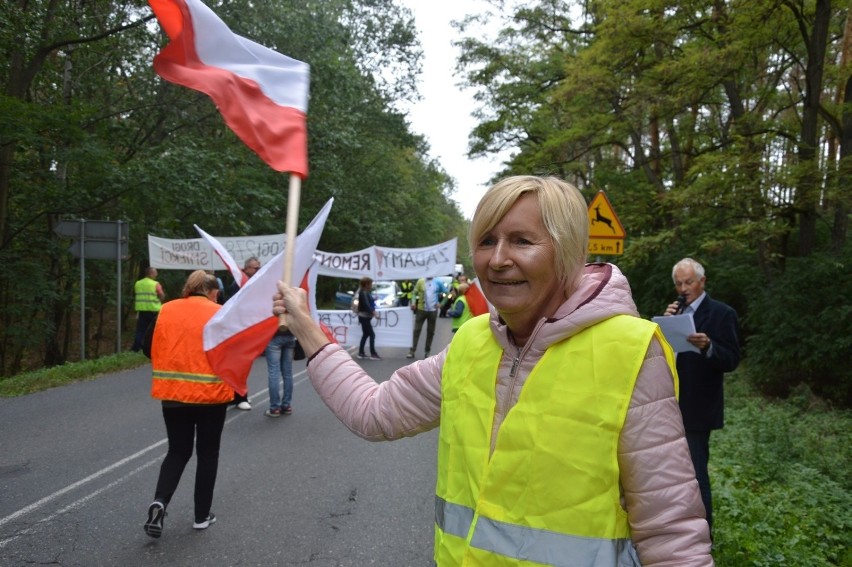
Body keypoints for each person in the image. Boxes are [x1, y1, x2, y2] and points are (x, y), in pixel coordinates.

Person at [275, 175, 712, 565]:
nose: (498, 259)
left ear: (571, 253)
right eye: (487, 241)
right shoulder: (470, 342)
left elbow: (671, 536)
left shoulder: (629, 350)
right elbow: (374, 413)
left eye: (522, 241)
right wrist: (306, 328)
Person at [141, 270, 234, 538]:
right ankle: (202, 516)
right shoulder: (220, 313)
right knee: (207, 454)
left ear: (188, 288)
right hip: (211, 395)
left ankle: (160, 501)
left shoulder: (166, 310)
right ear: (213, 292)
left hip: (173, 394)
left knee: (178, 452)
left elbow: (148, 348)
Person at [663, 257, 740, 534]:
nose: (683, 289)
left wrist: (708, 346)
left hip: (698, 408)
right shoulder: (674, 312)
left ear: (702, 282)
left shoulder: (722, 313)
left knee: (696, 474)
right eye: (679, 283)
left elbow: (731, 359)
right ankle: (676, 528)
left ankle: (703, 536)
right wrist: (665, 324)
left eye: (689, 282)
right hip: (669, 404)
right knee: (670, 474)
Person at [226, 256, 261, 410]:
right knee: (239, 364)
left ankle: (238, 394)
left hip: (246, 328)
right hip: (237, 329)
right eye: (255, 268)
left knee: (243, 365)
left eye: (259, 267)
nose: (258, 270)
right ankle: (240, 396)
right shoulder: (238, 284)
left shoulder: (252, 283)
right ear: (246, 269)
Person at [406, 275, 447, 359]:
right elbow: (414, 293)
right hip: (421, 309)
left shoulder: (438, 281)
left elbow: (447, 293)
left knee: (430, 331)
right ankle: (412, 351)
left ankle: (427, 351)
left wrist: (441, 303)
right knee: (416, 330)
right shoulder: (421, 281)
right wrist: (413, 302)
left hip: (433, 311)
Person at [263, 329, 296, 417]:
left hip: (274, 336)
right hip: (290, 336)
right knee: (288, 373)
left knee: (274, 373)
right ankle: (286, 405)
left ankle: (275, 408)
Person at [131, 267, 165, 352]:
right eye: (155, 273)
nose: (156, 274)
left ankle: (136, 348)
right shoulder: (155, 284)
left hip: (141, 310)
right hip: (153, 310)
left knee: (140, 330)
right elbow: (161, 295)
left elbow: (136, 293)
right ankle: (153, 347)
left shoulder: (138, 283)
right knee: (154, 330)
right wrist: (159, 300)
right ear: (151, 273)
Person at [355, 277, 381, 360]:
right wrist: (374, 314)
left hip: (364, 317)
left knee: (366, 335)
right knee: (372, 335)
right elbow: (366, 305)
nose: (371, 285)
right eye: (370, 283)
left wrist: (374, 299)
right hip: (364, 317)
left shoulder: (365, 292)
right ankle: (373, 354)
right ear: (366, 284)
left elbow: (368, 302)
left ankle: (361, 352)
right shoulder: (364, 293)